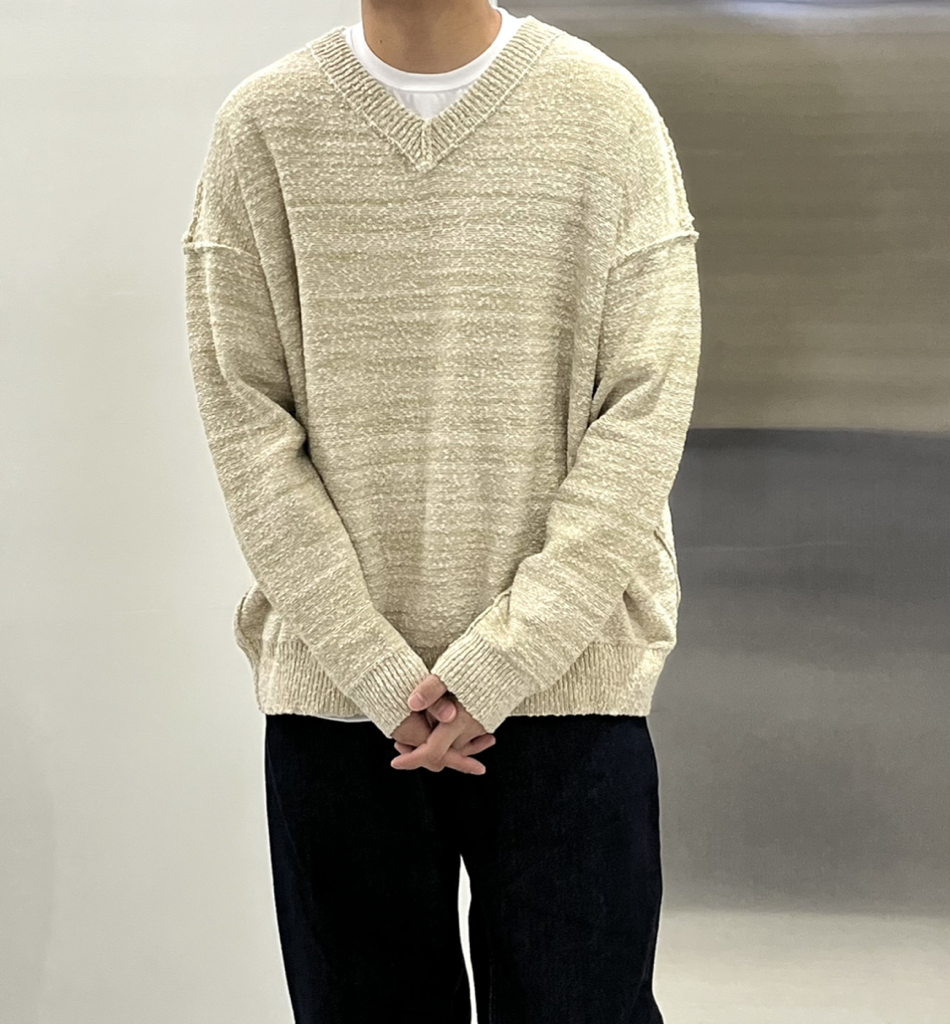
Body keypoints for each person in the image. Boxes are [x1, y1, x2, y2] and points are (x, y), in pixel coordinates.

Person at [181, 1, 702, 1020]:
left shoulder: (605, 115)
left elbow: (643, 413)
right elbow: (245, 424)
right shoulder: (262, 130)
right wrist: (378, 669)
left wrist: (502, 661)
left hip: (567, 692)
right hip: (342, 706)